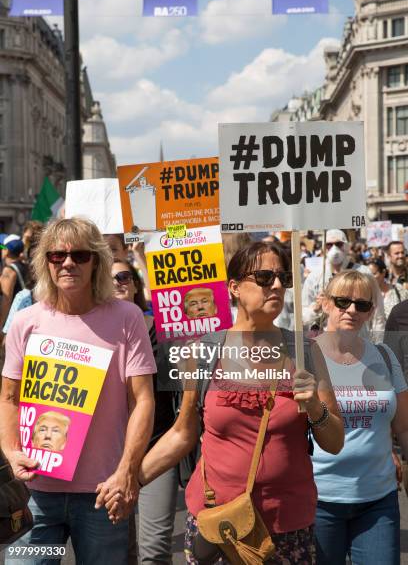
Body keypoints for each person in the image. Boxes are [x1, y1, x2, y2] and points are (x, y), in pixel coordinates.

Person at [132, 241, 344, 564]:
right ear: (233, 288)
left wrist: (315, 407)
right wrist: (130, 478)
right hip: (220, 526)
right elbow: (182, 433)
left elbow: (335, 441)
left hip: (286, 528)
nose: (276, 285)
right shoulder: (203, 352)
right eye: (263, 277)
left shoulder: (305, 351)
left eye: (282, 277)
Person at [0, 217, 156, 565]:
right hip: (36, 493)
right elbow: (8, 398)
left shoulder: (127, 318)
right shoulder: (26, 322)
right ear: (46, 262)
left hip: (102, 493)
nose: (67, 262)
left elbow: (143, 400)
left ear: (95, 262)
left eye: (79, 255)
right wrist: (12, 453)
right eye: (57, 256)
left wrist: (127, 471)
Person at [312, 270, 408, 565]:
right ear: (325, 303)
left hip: (378, 500)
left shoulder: (385, 356)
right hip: (318, 501)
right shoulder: (304, 356)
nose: (351, 310)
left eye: (362, 305)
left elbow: (403, 428)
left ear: (371, 312)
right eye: (342, 301)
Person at [111, 258, 178, 564]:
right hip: (109, 454)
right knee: (117, 549)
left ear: (137, 285)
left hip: (155, 447)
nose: (117, 282)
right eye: (110, 277)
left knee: (153, 550)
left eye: (124, 276)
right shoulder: (93, 333)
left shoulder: (164, 332)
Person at [302, 229, 385, 341]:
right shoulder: (315, 276)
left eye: (339, 244)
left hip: (359, 340)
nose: (334, 249)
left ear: (346, 246)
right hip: (326, 342)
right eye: (329, 245)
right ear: (323, 247)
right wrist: (316, 307)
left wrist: (378, 343)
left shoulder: (364, 273)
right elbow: (303, 316)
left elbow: (377, 312)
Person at [0, 235, 27, 331]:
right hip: (25, 317)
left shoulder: (8, 271)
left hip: (12, 321)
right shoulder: (26, 266)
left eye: (2, 248)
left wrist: (1, 326)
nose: (1, 250)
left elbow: (6, 300)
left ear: (6, 251)